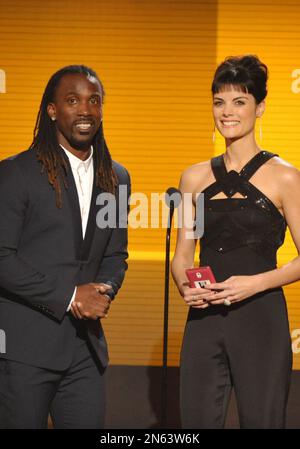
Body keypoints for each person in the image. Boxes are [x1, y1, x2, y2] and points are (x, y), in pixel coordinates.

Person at [0, 65, 130, 429]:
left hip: (85, 351)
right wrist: (71, 296)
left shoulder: (116, 178)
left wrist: (103, 290)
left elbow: (116, 254)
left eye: (94, 101)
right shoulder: (16, 173)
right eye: (72, 100)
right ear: (52, 110)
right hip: (25, 351)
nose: (85, 110)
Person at [171, 55, 298, 429]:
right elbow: (183, 255)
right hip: (204, 321)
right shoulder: (192, 178)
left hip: (261, 321)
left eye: (239, 101)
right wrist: (184, 285)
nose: (227, 112)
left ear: (259, 108)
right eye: (219, 101)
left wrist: (253, 284)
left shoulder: (286, 178)